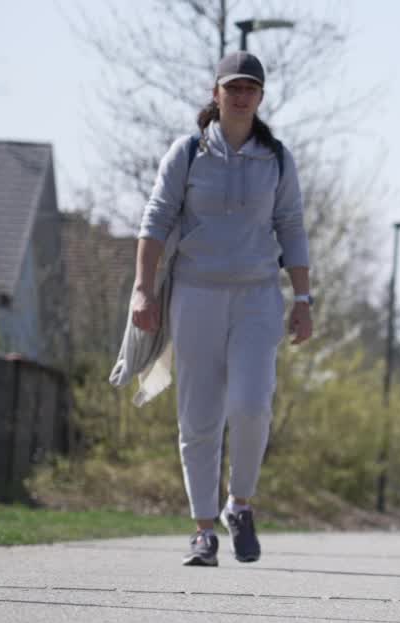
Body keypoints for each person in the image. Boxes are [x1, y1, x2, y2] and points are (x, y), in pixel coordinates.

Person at [129, 51, 313, 567]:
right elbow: (156, 221)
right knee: (200, 416)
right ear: (216, 93)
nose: (240, 95)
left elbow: (292, 228)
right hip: (196, 294)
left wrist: (302, 299)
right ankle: (203, 531)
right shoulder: (187, 153)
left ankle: (241, 503)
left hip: (257, 297)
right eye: (232, 86)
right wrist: (143, 290)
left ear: (260, 97)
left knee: (252, 407)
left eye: (250, 88)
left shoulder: (276, 159)